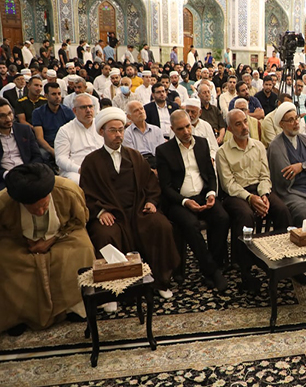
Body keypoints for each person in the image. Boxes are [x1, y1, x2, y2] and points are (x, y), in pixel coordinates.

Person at [81, 107, 180, 299]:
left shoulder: (135, 156)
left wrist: (151, 201)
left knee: (161, 226)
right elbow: (85, 194)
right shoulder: (91, 162)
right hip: (111, 214)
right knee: (104, 235)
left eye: (121, 130)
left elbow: (150, 183)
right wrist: (100, 212)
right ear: (101, 132)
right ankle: (110, 290)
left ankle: (161, 281)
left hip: (137, 209)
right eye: (113, 130)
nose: (118, 135)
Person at [0, 164, 95, 336]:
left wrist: (52, 239)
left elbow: (79, 220)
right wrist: (25, 241)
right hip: (20, 242)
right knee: (6, 261)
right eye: (34, 209)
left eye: (44, 206)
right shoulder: (4, 202)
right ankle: (17, 316)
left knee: (83, 249)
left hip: (63, 234)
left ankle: (73, 308)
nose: (41, 211)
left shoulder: (68, 191)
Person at [217, 108, 292, 289]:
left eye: (245, 121)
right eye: (238, 124)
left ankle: (284, 259)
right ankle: (246, 270)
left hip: (259, 189)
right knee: (246, 216)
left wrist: (264, 195)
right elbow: (228, 185)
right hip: (236, 194)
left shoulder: (258, 146)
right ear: (229, 129)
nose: (244, 126)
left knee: (282, 210)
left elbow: (265, 176)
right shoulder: (222, 152)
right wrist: (251, 198)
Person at [156, 111, 229, 292]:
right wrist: (185, 202)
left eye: (188, 126)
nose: (186, 132)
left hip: (203, 195)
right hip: (178, 201)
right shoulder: (164, 151)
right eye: (181, 129)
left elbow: (211, 175)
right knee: (190, 225)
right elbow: (166, 187)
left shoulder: (202, 143)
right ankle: (213, 271)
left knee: (222, 218)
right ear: (173, 129)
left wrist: (211, 193)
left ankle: (210, 267)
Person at [54, 94, 103, 184]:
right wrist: (79, 169)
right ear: (74, 111)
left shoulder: (101, 126)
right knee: (78, 181)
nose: (88, 110)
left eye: (90, 106)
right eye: (83, 107)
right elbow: (61, 158)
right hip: (76, 171)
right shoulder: (65, 130)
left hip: (101, 167)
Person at [0, 99, 42, 191]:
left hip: (27, 172)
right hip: (4, 178)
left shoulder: (24, 130)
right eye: (2, 116)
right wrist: (6, 174)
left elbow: (37, 156)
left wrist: (28, 169)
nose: (8, 119)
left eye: (10, 113)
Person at [32, 82, 75, 162]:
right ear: (46, 96)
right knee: (41, 155)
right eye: (54, 94)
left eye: (59, 94)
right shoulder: (38, 113)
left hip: (65, 145)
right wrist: (53, 151)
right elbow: (40, 138)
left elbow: (74, 133)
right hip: (48, 146)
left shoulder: (68, 111)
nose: (57, 97)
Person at [123, 100, 166, 168]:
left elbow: (163, 152)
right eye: (136, 110)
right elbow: (131, 157)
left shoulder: (156, 130)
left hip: (158, 164)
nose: (141, 112)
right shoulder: (127, 134)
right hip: (139, 166)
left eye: (142, 109)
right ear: (129, 117)